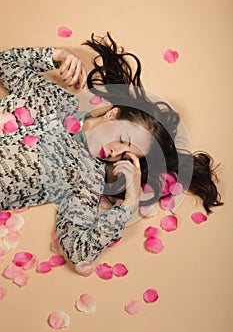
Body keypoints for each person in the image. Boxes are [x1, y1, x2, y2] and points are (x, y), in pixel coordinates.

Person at [0, 33, 223, 270]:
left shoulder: (87, 180)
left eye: (126, 155)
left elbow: (77, 250)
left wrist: (130, 203)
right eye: (122, 138)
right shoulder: (56, 99)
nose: (114, 151)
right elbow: (4, 63)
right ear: (112, 113)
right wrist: (58, 56)